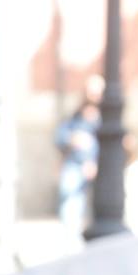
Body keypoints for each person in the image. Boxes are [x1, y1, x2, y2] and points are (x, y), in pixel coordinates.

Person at [55, 77, 103, 228]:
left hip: (98, 167)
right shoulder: (76, 116)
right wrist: (72, 139)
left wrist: (93, 161)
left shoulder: (104, 118)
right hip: (75, 165)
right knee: (70, 200)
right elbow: (60, 137)